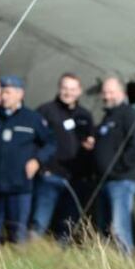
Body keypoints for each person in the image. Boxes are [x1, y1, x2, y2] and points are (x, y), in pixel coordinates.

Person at [0, 76, 55, 243]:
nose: (4, 96)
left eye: (8, 92)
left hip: (19, 188)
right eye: (2, 92)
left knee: (18, 235)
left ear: (20, 94)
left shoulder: (32, 119)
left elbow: (50, 143)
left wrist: (37, 160)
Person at [30, 73, 94, 241]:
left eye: (72, 89)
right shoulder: (46, 110)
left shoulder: (85, 115)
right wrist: (42, 167)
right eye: (65, 88)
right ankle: (30, 253)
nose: (68, 93)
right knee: (40, 220)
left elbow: (89, 141)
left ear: (79, 91)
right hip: (50, 175)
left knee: (68, 223)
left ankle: (61, 257)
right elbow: (34, 141)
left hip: (74, 179)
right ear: (59, 88)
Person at [93, 77, 135, 255]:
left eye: (111, 92)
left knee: (119, 225)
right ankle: (108, 263)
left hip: (122, 180)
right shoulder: (108, 116)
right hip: (105, 180)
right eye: (105, 92)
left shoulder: (129, 114)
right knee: (105, 225)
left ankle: (126, 261)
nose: (107, 96)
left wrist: (119, 168)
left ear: (122, 93)